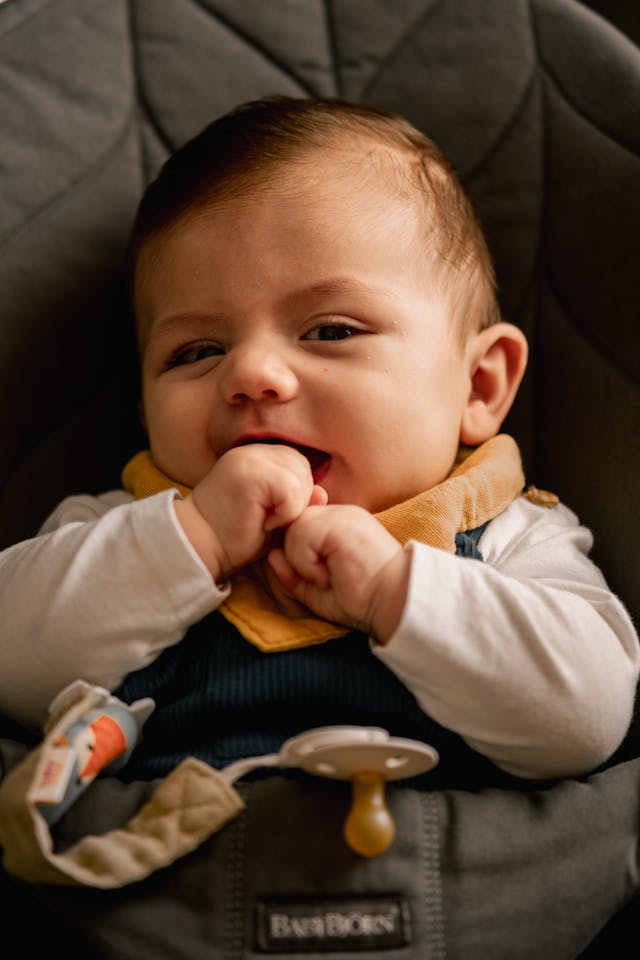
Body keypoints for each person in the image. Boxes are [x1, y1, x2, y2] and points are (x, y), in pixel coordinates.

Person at [0, 97, 637, 791]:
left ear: (478, 387)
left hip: (431, 854)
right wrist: (191, 539)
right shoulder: (120, 525)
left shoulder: (510, 536)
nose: (251, 374)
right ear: (144, 407)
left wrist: (395, 592)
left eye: (331, 331)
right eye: (196, 352)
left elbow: (589, 722)